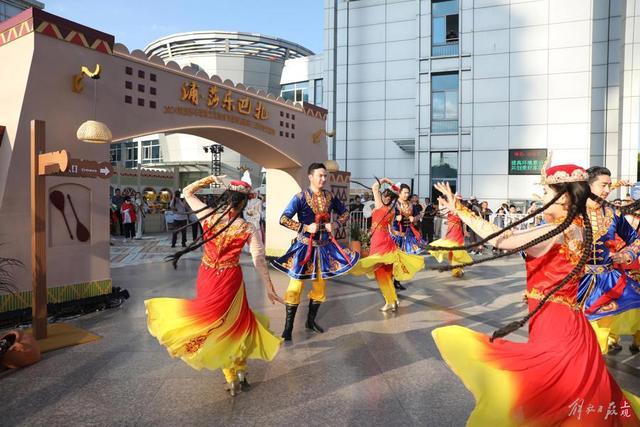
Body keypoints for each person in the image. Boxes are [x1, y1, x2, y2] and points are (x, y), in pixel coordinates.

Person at [429, 163, 640, 425]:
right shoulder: (576, 225)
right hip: (572, 322)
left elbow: (501, 239)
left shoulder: (558, 231)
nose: (541, 195)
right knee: (575, 394)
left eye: (545, 190)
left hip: (556, 325)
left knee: (551, 392)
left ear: (562, 196)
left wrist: (459, 209)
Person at [145, 175, 284, 397]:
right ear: (243, 203)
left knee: (214, 323)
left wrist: (211, 178)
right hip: (231, 279)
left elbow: (187, 192)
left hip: (208, 275)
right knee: (236, 323)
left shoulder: (208, 215)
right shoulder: (248, 228)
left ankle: (231, 376)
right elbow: (258, 259)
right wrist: (269, 287)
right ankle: (239, 371)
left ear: (226, 199)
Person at [272, 163, 359, 341]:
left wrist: (335, 224)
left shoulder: (330, 196)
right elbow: (283, 218)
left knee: (320, 288)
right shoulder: (300, 197)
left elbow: (345, 213)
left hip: (324, 248)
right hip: (304, 247)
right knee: (295, 288)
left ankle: (310, 322)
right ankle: (287, 328)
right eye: (320, 175)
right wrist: (304, 226)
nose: (323, 179)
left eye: (325, 176)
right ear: (310, 177)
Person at [579, 166, 640, 355]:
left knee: (600, 334)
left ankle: (595, 374)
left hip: (607, 282)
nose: (607, 190)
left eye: (609, 185)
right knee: (577, 332)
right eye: (603, 185)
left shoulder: (614, 213)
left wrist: (628, 253)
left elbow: (635, 239)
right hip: (576, 282)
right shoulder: (570, 211)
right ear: (587, 186)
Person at [350, 178, 424, 311]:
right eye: (385, 195)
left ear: (389, 197)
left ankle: (390, 301)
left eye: (387, 195)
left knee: (380, 274)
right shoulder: (392, 210)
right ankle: (392, 300)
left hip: (380, 243)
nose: (385, 197)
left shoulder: (380, 205)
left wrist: (384, 180)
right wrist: (396, 233)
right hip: (387, 242)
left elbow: (374, 188)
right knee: (385, 274)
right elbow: (391, 229)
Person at [390, 184, 426, 290]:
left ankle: (397, 280)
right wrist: (395, 218)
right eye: (405, 192)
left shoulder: (411, 205)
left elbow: (419, 216)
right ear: (399, 193)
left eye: (408, 192)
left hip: (408, 236)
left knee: (403, 259)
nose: (406, 195)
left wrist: (414, 218)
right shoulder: (393, 204)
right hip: (396, 235)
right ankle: (389, 280)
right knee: (393, 259)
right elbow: (387, 217)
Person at [428, 196, 473, 278]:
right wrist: (440, 202)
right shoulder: (448, 209)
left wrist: (465, 231)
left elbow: (464, 222)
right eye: (455, 200)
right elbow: (442, 212)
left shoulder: (461, 210)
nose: (456, 201)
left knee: (459, 251)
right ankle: (456, 269)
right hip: (450, 233)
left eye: (458, 200)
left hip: (458, 233)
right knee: (452, 252)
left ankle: (459, 268)